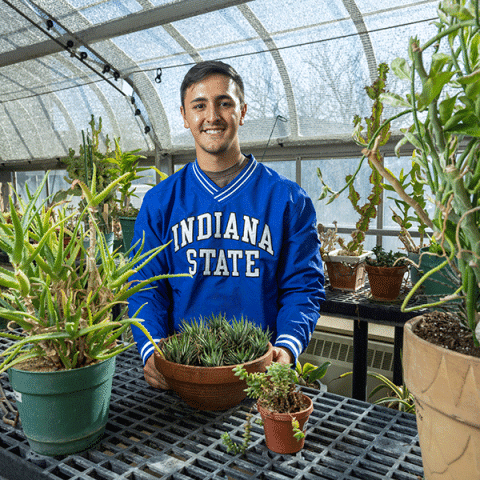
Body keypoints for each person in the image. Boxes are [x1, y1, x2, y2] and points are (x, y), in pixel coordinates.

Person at [128, 60, 325, 389]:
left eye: (225, 103)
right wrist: (151, 351)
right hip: (184, 375)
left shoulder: (289, 200)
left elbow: (303, 288)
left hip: (261, 379)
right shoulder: (159, 202)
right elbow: (146, 288)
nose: (212, 116)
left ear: (242, 112)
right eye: (199, 105)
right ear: (185, 116)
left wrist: (287, 349)